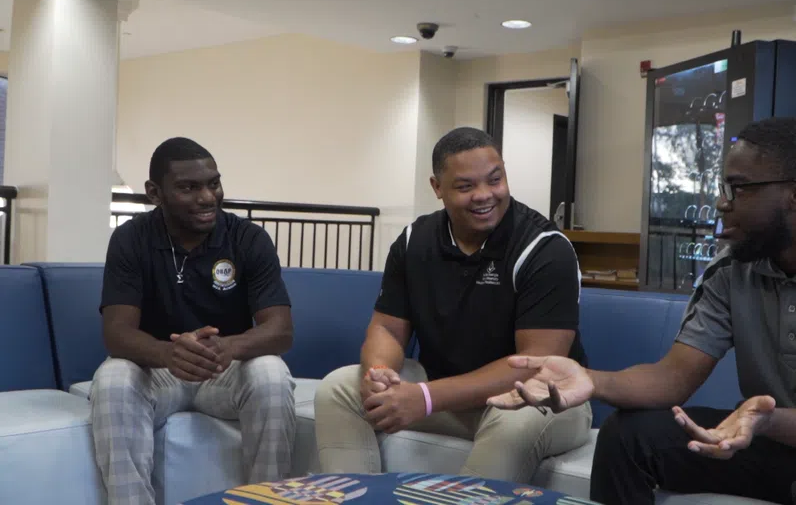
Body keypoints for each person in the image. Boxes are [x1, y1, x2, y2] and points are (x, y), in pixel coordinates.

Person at [488, 117, 796, 504]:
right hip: (770, 439)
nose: (722, 203)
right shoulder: (731, 267)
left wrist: (764, 420)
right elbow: (673, 378)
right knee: (628, 435)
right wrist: (591, 381)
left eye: (737, 188)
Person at [314, 127, 592, 482]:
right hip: (447, 392)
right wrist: (378, 374)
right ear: (437, 188)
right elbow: (387, 327)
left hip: (543, 399)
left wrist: (427, 397)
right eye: (465, 187)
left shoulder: (545, 249)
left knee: (517, 416)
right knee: (338, 388)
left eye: (495, 179)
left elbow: (536, 367)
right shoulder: (416, 240)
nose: (485, 195)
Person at [92, 137, 297, 505]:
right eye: (189, 188)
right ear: (155, 193)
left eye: (213, 183)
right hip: (159, 371)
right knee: (113, 377)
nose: (207, 197)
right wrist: (169, 353)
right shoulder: (130, 239)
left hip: (225, 369)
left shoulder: (248, 238)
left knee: (270, 372)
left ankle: (266, 500)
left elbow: (280, 330)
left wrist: (228, 346)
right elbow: (117, 334)